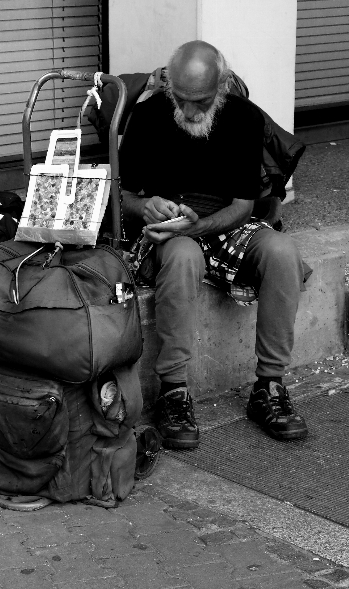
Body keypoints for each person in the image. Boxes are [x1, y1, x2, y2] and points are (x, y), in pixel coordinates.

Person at [119, 40, 308, 449]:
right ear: (170, 87)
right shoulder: (149, 115)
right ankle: (173, 390)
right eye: (180, 100)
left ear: (221, 86)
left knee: (282, 252)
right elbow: (124, 197)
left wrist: (197, 225)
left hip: (222, 219)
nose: (188, 112)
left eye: (200, 101)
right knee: (184, 257)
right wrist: (146, 206)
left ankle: (269, 387)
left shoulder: (243, 118)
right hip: (169, 231)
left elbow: (243, 206)